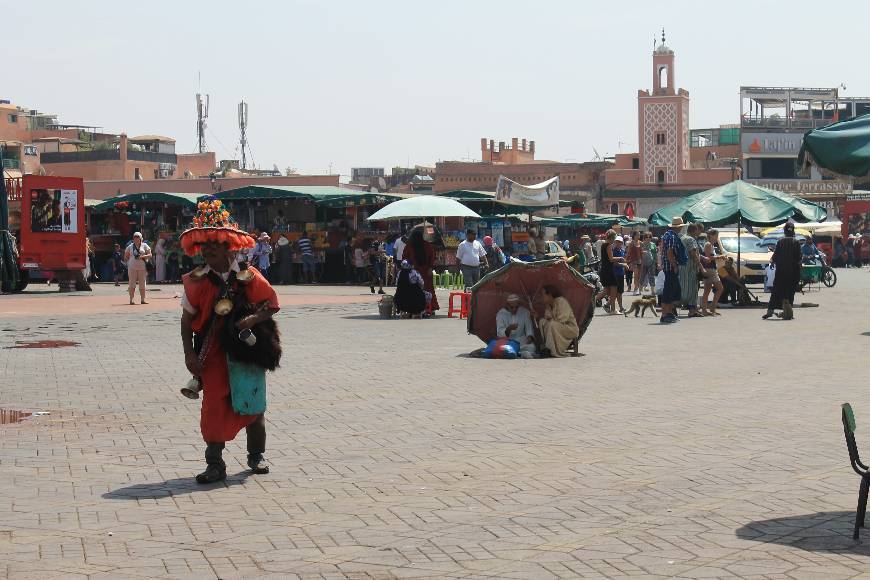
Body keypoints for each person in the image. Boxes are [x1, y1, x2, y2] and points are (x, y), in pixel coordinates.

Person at [178, 199, 279, 484]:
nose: (207, 251)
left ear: (227, 245)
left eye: (213, 244)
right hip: (211, 354)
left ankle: (256, 456)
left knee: (252, 404)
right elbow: (187, 321)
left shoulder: (249, 276)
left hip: (246, 352)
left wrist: (248, 322)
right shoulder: (195, 281)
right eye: (204, 245)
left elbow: (271, 304)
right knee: (212, 407)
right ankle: (214, 464)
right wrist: (189, 355)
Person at [764, 222, 802, 320]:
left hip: (781, 273)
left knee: (777, 292)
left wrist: (772, 261)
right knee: (790, 293)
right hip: (793, 273)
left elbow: (775, 257)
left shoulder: (780, 242)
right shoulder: (796, 242)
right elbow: (799, 259)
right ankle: (787, 312)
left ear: (784, 231)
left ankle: (770, 311)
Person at [403, 228, 439, 315]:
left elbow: (404, 258)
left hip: (417, 271)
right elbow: (433, 257)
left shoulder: (410, 245)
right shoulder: (426, 245)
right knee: (427, 289)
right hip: (422, 271)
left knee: (421, 289)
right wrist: (431, 267)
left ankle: (429, 307)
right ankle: (429, 307)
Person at [537, 285, 579, 358]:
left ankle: (553, 350)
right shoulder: (548, 305)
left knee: (552, 324)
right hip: (557, 326)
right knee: (542, 321)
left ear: (549, 295)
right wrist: (537, 316)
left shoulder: (561, 301)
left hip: (570, 328)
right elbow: (547, 318)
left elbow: (562, 319)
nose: (542, 297)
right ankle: (547, 348)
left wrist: (551, 319)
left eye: (543, 295)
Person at [660, 217, 688, 323]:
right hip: (670, 267)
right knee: (669, 291)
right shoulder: (672, 237)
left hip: (668, 266)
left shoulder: (668, 235)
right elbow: (670, 253)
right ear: (679, 227)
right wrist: (675, 265)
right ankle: (665, 314)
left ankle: (669, 313)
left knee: (673, 291)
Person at [594, 230, 627, 314]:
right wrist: (620, 258)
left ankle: (591, 301)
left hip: (605, 269)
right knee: (614, 289)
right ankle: (613, 309)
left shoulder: (604, 245)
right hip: (608, 270)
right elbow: (611, 259)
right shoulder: (608, 245)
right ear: (612, 237)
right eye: (614, 238)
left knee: (606, 290)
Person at [495, 294, 536, 359]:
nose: (514, 309)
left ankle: (517, 353)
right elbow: (499, 333)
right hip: (508, 341)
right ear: (507, 305)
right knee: (504, 348)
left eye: (516, 307)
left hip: (521, 340)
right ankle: (519, 353)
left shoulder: (525, 312)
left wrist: (529, 337)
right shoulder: (500, 314)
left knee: (532, 347)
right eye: (511, 307)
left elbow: (529, 328)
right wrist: (508, 329)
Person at [699, 229, 724, 316]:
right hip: (710, 269)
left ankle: (706, 309)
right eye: (716, 236)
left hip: (710, 268)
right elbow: (708, 257)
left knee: (707, 290)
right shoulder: (708, 244)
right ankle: (711, 308)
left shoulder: (711, 245)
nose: (717, 238)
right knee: (720, 288)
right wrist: (721, 256)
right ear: (712, 236)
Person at [679, 223, 702, 318]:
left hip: (682, 267)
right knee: (692, 289)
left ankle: (692, 310)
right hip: (691, 268)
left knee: (683, 288)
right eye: (698, 230)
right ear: (695, 230)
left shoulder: (682, 238)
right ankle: (691, 310)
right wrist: (701, 266)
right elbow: (693, 254)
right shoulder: (690, 239)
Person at [124, 232, 152, 305]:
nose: (136, 239)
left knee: (142, 283)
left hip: (142, 268)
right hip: (132, 267)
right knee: (132, 283)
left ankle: (143, 299)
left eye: (137, 237)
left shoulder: (144, 245)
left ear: (140, 238)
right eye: (135, 238)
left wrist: (142, 257)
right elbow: (126, 256)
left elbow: (150, 255)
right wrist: (129, 262)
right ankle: (131, 299)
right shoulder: (130, 246)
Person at [611, 236, 627, 313]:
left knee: (619, 292)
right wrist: (623, 265)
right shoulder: (614, 251)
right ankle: (615, 307)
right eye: (617, 242)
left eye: (620, 242)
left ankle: (620, 307)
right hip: (615, 273)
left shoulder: (622, 251)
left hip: (621, 274)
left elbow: (624, 260)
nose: (618, 243)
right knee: (616, 292)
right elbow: (614, 263)